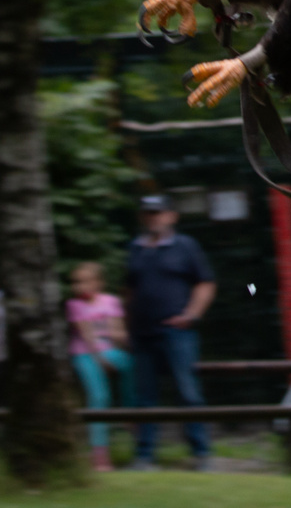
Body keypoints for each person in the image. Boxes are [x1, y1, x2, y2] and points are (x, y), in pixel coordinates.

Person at [126, 193, 217, 470]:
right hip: (143, 333)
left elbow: (206, 283)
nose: (153, 218)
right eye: (148, 213)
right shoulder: (136, 248)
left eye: (158, 212)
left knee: (188, 392)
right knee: (145, 396)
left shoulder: (186, 246)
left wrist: (191, 315)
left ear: (171, 216)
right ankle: (144, 455)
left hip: (177, 333)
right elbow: (128, 288)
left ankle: (201, 453)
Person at [66, 262, 135, 472]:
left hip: (109, 350)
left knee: (133, 366)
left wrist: (121, 343)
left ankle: (129, 414)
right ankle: (99, 453)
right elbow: (86, 336)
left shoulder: (111, 301)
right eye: (76, 282)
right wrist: (101, 359)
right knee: (99, 397)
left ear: (99, 283)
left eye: (85, 281)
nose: (80, 286)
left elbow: (118, 332)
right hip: (85, 354)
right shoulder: (74, 305)